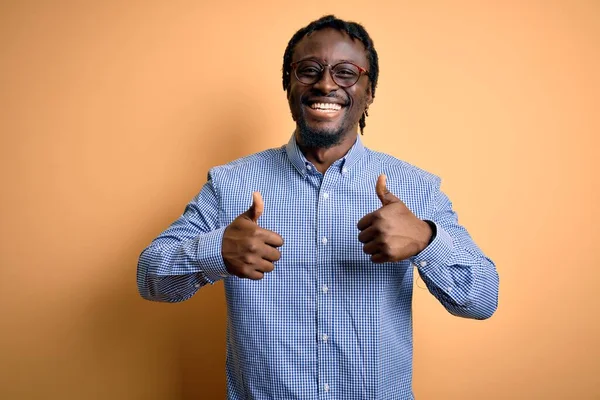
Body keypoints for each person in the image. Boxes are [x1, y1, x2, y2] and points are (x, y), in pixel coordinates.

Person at [137, 14, 499, 399]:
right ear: (288, 86)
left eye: (346, 72)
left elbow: (482, 300)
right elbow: (151, 278)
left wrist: (428, 240)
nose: (325, 84)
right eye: (308, 70)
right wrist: (215, 252)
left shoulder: (416, 188)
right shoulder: (231, 184)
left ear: (369, 91)